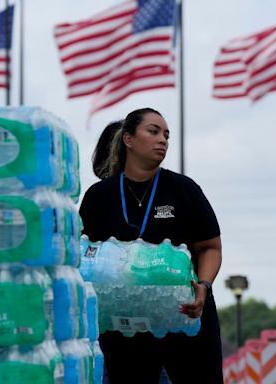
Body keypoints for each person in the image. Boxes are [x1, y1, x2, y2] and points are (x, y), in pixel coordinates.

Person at [79, 108, 223, 384]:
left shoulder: (183, 189)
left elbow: (210, 247)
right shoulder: (98, 197)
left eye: (167, 135)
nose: (163, 140)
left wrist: (203, 286)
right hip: (125, 330)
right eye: (154, 131)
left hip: (184, 319)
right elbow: (85, 255)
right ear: (129, 140)